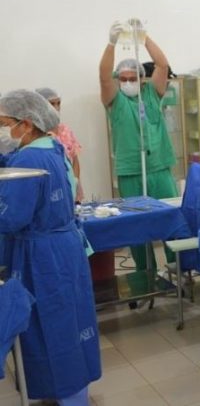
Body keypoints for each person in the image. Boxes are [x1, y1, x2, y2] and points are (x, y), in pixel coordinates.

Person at [0, 90, 101, 405]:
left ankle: (66, 394)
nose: (2, 131)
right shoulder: (52, 147)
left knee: (50, 326)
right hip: (64, 248)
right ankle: (73, 392)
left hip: (43, 256)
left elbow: (12, 217)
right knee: (71, 322)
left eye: (4, 124)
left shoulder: (28, 159)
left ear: (27, 124)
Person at [99, 20, 178, 271]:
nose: (128, 82)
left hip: (159, 169)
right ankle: (145, 275)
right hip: (131, 172)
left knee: (171, 220)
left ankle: (178, 269)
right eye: (123, 79)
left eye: (132, 78)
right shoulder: (116, 102)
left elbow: (162, 65)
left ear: (142, 79)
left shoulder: (152, 95)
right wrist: (111, 44)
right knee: (136, 226)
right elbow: (103, 77)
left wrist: (144, 38)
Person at [36, 87, 84, 203]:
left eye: (58, 103)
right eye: (52, 103)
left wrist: (74, 181)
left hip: (69, 183)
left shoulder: (65, 130)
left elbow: (74, 159)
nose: (56, 107)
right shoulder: (37, 133)